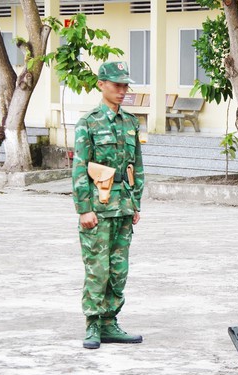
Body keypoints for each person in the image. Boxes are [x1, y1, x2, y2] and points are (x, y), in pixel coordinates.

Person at [72, 61, 145, 350]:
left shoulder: (130, 122)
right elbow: (79, 168)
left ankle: (110, 322)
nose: (122, 90)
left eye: (125, 85)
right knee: (97, 268)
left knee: (118, 269)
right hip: (98, 206)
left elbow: (136, 165)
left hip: (123, 205)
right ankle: (92, 324)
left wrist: (136, 202)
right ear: (101, 84)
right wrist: (84, 209)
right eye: (117, 85)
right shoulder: (88, 122)